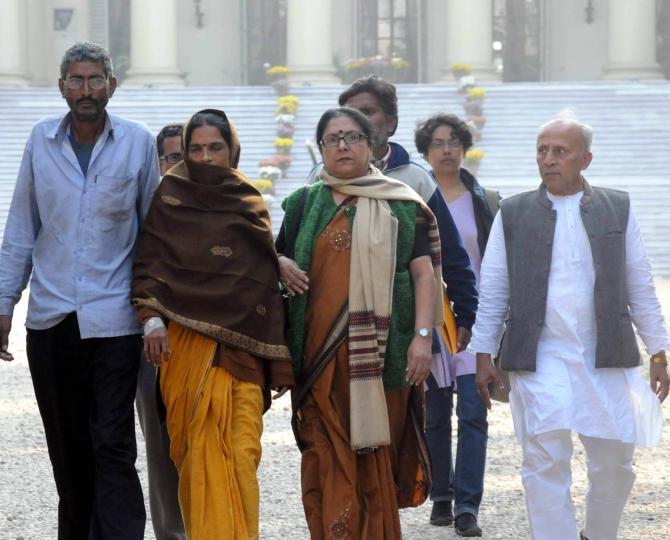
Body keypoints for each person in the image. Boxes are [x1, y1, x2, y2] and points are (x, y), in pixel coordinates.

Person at [472, 114, 670, 540]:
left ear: (586, 159)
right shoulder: (513, 212)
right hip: (540, 359)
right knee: (544, 464)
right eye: (542, 150)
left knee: (616, 464)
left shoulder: (618, 207)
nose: (548, 159)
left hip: (607, 358)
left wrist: (658, 350)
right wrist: (483, 354)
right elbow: (493, 289)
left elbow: (639, 281)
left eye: (560, 151)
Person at [0, 42, 158, 538]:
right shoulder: (39, 140)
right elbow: (22, 227)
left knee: (111, 440)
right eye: (76, 79)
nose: (86, 89)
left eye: (95, 79)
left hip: (115, 320)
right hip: (51, 320)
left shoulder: (138, 143)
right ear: (61, 85)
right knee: (66, 445)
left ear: (112, 85)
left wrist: (153, 310)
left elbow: (153, 232)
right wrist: (4, 303)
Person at [278, 106, 444, 538]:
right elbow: (274, 261)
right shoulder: (300, 205)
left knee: (374, 461)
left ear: (372, 146)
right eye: (332, 139)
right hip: (317, 366)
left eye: (352, 137)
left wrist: (423, 339)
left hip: (383, 361)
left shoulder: (402, 204)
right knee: (322, 459)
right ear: (321, 149)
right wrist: (277, 262)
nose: (343, 146)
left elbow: (425, 275)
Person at [132, 108, 294, 539]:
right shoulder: (169, 197)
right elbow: (149, 263)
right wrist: (151, 320)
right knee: (195, 458)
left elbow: (260, 277)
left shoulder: (249, 200)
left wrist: (276, 356)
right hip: (183, 348)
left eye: (215, 148)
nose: (205, 157)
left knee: (241, 455)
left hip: (240, 354)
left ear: (232, 150)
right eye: (196, 149)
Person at [304, 75, 478, 362]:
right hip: (332, 326)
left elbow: (448, 252)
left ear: (391, 122)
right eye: (350, 113)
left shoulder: (415, 181)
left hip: (403, 326)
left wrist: (467, 314)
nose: (357, 121)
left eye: (368, 112)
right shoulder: (318, 182)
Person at [414, 113, 498, 536]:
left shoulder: (486, 200)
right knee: (435, 412)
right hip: (430, 316)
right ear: (425, 152)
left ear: (464, 148)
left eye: (453, 142)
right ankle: (441, 495)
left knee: (473, 410)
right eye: (437, 143)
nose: (446, 149)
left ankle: (468, 505)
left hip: (474, 318)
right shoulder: (417, 196)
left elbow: (496, 264)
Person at [134, 123, 186, 540]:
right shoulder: (146, 208)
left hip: (218, 349)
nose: (181, 164)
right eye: (171, 157)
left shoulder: (233, 203)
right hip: (157, 343)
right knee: (162, 447)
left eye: (189, 153)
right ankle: (172, 534)